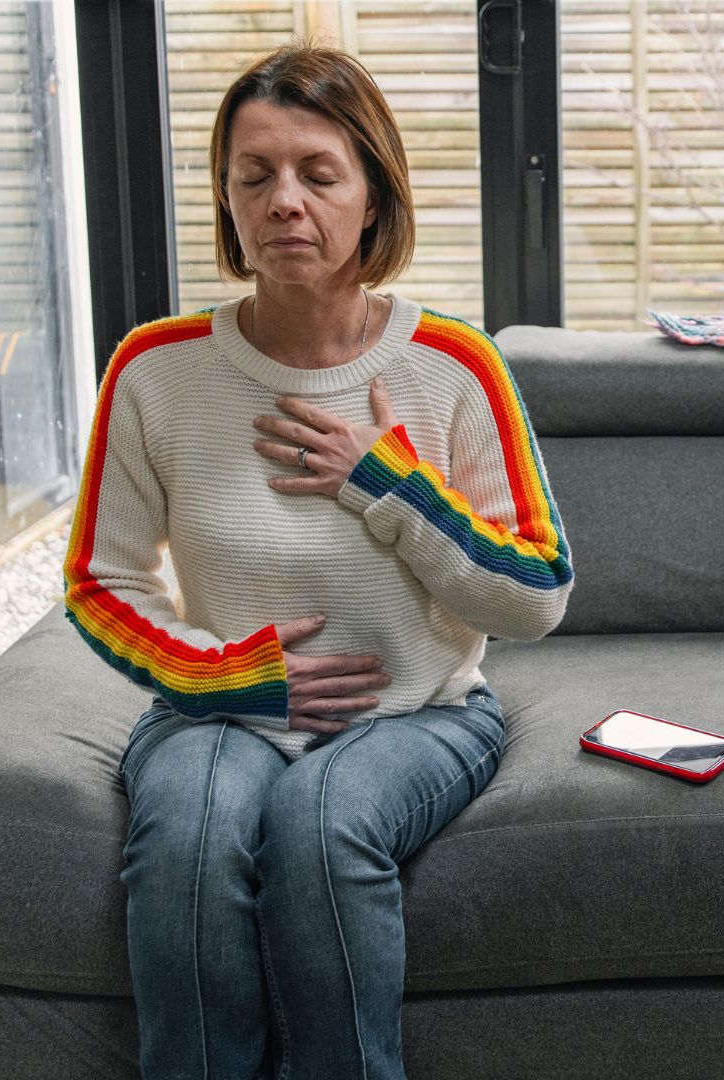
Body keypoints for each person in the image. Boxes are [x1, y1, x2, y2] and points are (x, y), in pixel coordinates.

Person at [60, 41, 574, 1080]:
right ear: (227, 201)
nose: (284, 200)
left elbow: (538, 597)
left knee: (319, 825)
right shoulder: (155, 368)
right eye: (255, 176)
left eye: (318, 174)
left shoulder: (455, 367)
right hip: (221, 709)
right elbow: (98, 582)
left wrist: (390, 486)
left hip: (423, 716)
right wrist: (229, 674)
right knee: (189, 841)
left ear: (374, 199)